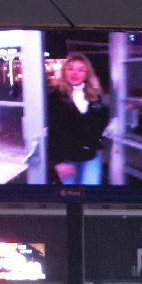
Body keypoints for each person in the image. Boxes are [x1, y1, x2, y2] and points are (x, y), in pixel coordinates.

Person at [46, 52, 110, 186]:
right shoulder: (54, 97)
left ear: (87, 74)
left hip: (91, 155)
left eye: (81, 69)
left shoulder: (94, 96)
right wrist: (57, 162)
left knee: (90, 196)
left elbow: (101, 122)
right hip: (66, 158)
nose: (75, 73)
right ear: (64, 72)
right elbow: (52, 131)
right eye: (70, 68)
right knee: (71, 197)